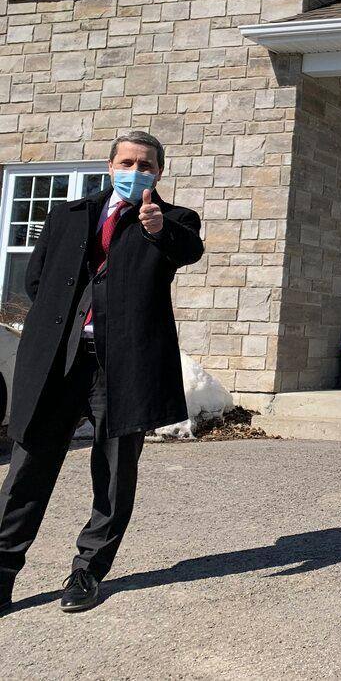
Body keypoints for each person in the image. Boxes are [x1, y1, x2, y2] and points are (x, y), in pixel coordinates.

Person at [0, 131, 203, 615]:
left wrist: (157, 230)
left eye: (147, 165)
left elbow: (187, 251)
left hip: (123, 365)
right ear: (110, 166)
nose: (136, 171)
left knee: (113, 472)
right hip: (58, 360)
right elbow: (37, 280)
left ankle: (88, 570)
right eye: (128, 162)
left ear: (159, 172)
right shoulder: (69, 215)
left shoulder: (173, 220)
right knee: (28, 466)